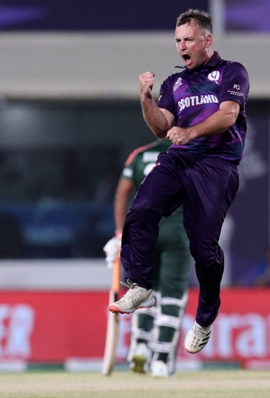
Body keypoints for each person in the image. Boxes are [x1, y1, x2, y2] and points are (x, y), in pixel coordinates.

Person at [108, 8, 249, 357]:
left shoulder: (232, 72)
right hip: (180, 159)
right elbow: (160, 127)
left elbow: (228, 115)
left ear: (207, 40)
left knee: (204, 250)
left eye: (188, 39)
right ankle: (140, 283)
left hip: (217, 165)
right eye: (177, 40)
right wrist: (145, 98)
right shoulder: (175, 83)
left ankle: (205, 318)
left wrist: (190, 131)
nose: (182, 46)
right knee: (141, 207)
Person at [104, 138, 191, 378]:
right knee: (172, 296)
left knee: (142, 289)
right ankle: (161, 360)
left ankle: (140, 344)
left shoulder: (140, 155)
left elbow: (121, 197)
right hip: (177, 231)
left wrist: (120, 235)